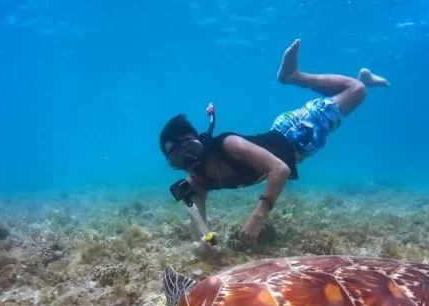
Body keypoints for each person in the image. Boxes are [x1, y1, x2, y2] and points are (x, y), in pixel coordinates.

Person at [159, 39, 390, 246]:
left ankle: (293, 76)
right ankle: (364, 79)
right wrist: (204, 245)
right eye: (178, 159)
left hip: (299, 134)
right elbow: (199, 228)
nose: (189, 161)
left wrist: (257, 218)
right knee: (349, 94)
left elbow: (279, 169)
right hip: (283, 133)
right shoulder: (198, 181)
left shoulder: (228, 144)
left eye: (189, 150)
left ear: (200, 140)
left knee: (356, 92)